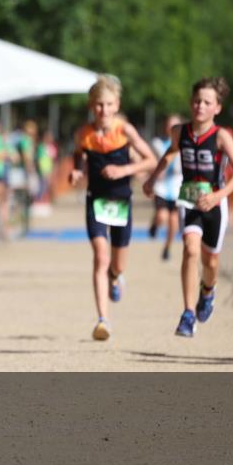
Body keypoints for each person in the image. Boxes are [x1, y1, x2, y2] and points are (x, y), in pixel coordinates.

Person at [143, 77, 233, 338]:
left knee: (210, 260)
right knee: (190, 249)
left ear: (217, 108)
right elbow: (171, 152)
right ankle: (188, 313)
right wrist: (153, 177)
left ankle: (208, 292)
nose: (200, 106)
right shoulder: (180, 132)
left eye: (207, 102)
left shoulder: (221, 136)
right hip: (189, 199)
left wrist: (218, 196)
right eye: (196, 101)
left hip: (214, 203)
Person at [69, 75, 157, 341]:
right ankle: (103, 320)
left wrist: (124, 169)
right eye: (98, 105)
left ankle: (116, 277)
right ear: (91, 105)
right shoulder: (84, 133)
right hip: (95, 199)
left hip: (120, 202)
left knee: (117, 264)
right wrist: (76, 170)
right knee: (100, 256)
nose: (103, 111)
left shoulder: (125, 131)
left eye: (108, 105)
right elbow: (78, 154)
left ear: (116, 105)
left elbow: (151, 160)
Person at [149, 115, 183, 261]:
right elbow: (155, 160)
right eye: (170, 125)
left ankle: (167, 247)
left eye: (175, 126)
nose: (172, 129)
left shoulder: (185, 145)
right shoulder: (157, 143)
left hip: (177, 188)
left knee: (174, 222)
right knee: (162, 216)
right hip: (161, 188)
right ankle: (154, 225)